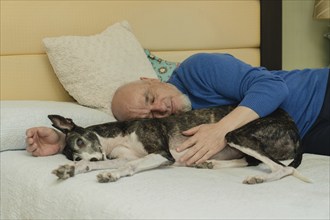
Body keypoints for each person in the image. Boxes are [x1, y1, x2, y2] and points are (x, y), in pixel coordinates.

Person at [26, 53, 330, 165]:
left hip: (321, 92)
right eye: (150, 115)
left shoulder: (198, 69)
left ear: (150, 79)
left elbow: (274, 87)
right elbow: (109, 141)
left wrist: (220, 130)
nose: (160, 109)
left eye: (149, 97)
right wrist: (66, 142)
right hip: (303, 136)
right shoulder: (175, 126)